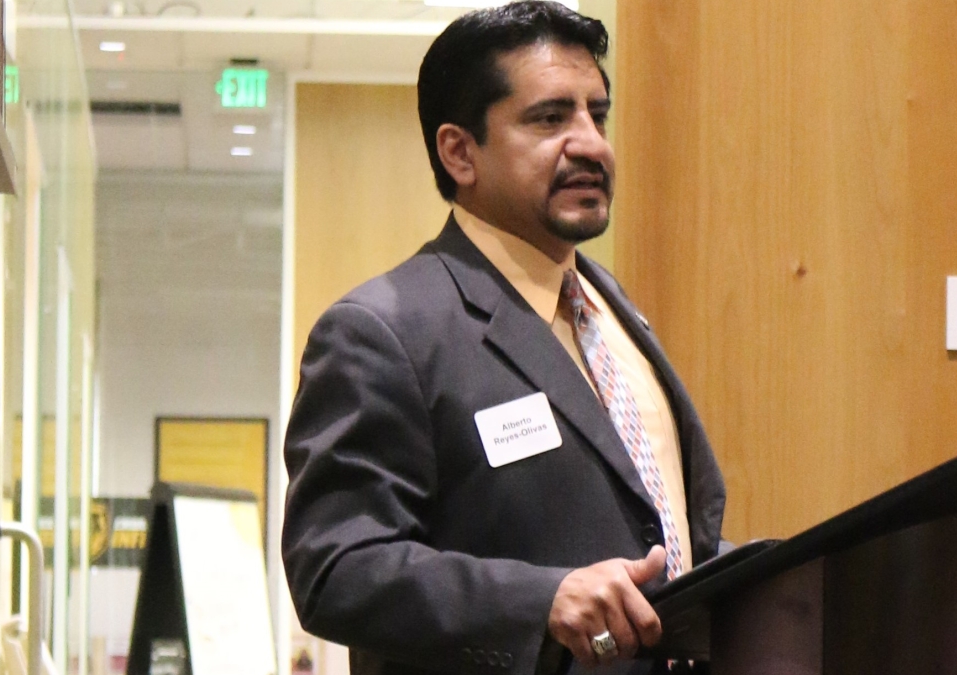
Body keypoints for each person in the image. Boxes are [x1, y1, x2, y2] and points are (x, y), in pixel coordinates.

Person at [281, 3, 726, 674]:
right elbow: (336, 567)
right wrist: (540, 599)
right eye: (550, 118)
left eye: (596, 115)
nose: (591, 144)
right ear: (460, 151)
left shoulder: (614, 312)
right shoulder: (383, 331)